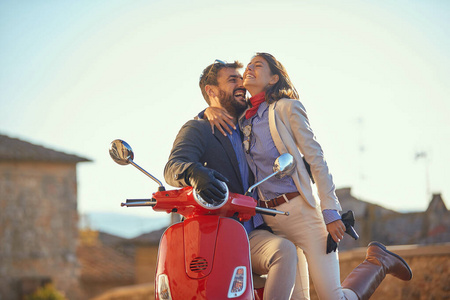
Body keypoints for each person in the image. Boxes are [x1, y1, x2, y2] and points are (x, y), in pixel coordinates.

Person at [204, 53, 413, 300]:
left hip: (302, 213)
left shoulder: (287, 108)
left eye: (257, 65)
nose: (248, 69)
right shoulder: (241, 119)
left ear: (273, 78)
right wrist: (209, 110)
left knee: (333, 296)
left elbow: (316, 160)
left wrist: (331, 211)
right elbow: (218, 109)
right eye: (248, 65)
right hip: (272, 221)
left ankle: (378, 262)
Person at [164, 60, 298, 299]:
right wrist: (195, 174)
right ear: (212, 91)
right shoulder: (199, 128)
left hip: (252, 231)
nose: (242, 85)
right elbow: (173, 166)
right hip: (217, 236)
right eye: (232, 80)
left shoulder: (248, 123)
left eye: (241, 79)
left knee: (284, 251)